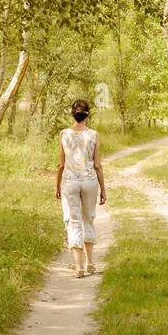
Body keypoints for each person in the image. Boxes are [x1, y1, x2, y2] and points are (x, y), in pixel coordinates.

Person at [54, 98, 106, 278]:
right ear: (87, 115)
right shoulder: (94, 135)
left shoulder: (63, 134)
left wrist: (57, 185)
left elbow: (61, 164)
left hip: (70, 181)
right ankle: (90, 262)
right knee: (88, 219)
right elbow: (98, 165)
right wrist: (103, 189)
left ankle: (79, 267)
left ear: (72, 114)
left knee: (73, 220)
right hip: (90, 181)